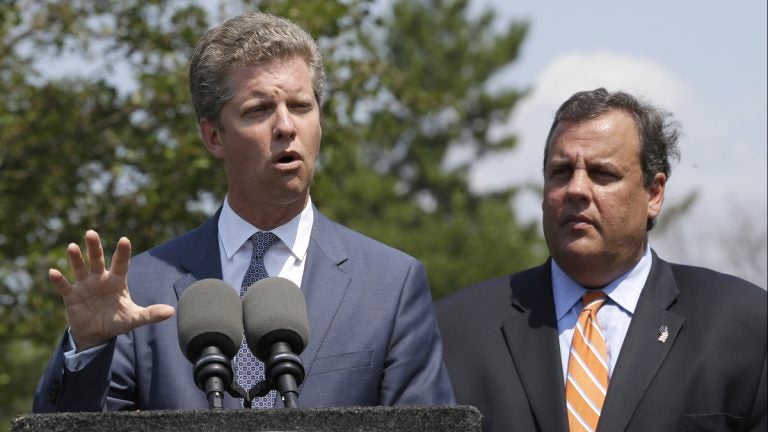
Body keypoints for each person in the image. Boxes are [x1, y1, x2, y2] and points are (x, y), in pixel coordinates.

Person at [33, 11, 453, 411]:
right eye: (259, 110)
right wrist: (87, 349)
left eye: (302, 106)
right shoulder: (142, 289)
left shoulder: (390, 284)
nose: (287, 126)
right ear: (214, 136)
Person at [436, 88, 766, 432]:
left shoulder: (742, 327)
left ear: (654, 194)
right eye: (562, 171)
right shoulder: (456, 331)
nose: (576, 189)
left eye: (602, 174)